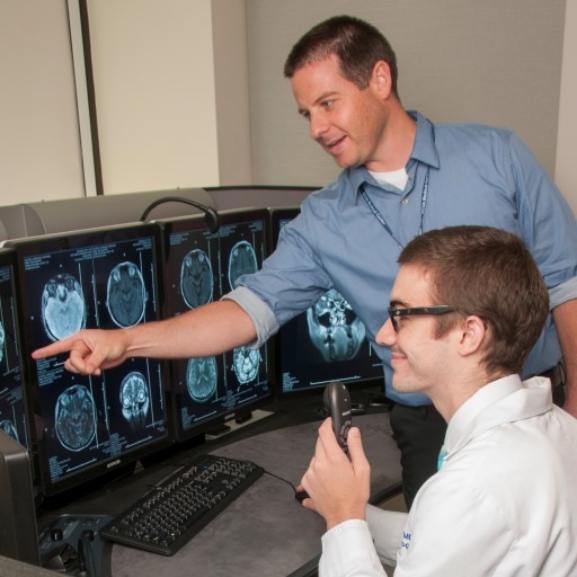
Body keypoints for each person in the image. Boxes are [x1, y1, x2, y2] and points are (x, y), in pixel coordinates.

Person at [32, 15, 577, 508]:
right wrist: (127, 341)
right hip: (431, 424)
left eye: (328, 103)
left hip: (539, 400)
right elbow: (246, 311)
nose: (316, 128)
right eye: (304, 113)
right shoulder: (323, 221)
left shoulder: (495, 158)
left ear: (379, 80)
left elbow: (566, 283)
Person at [299, 225, 577, 576]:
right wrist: (348, 509)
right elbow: (446, 539)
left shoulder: (471, 486)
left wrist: (342, 522)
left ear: (468, 334)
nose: (384, 335)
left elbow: (460, 513)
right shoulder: (558, 430)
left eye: (401, 315)